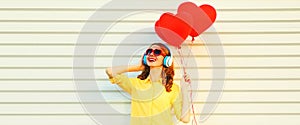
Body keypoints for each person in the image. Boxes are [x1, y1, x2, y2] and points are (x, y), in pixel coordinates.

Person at [105, 43, 191, 125]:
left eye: (157, 52)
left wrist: (184, 90)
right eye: (149, 51)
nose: (151, 54)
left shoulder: (172, 88)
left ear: (166, 60)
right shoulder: (136, 84)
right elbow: (110, 71)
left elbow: (185, 118)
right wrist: (137, 67)